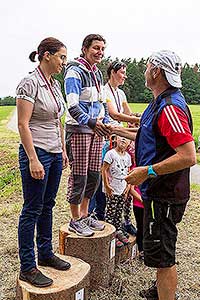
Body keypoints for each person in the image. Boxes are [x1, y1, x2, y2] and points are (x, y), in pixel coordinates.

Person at [125, 50, 196, 300]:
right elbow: (150, 137)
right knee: (157, 249)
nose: (144, 70)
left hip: (165, 194)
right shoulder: (158, 102)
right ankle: (160, 292)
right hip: (158, 191)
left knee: (163, 256)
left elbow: (188, 155)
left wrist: (147, 171)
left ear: (156, 71)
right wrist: (117, 131)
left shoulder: (169, 107)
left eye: (147, 66)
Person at [16, 37, 71, 288]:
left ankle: (46, 253)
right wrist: (33, 159)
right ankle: (28, 267)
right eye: (61, 56)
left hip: (55, 152)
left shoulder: (55, 84)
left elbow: (57, 121)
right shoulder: (30, 82)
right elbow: (23, 124)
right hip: (37, 152)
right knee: (32, 209)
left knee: (48, 205)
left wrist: (63, 150)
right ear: (46, 55)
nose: (63, 62)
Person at [64, 34, 111, 237]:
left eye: (102, 49)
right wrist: (91, 122)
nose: (100, 52)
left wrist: (106, 122)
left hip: (96, 129)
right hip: (80, 129)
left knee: (93, 175)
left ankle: (85, 215)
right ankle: (75, 219)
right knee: (79, 175)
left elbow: (101, 102)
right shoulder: (74, 71)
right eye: (96, 48)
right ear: (85, 48)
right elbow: (72, 106)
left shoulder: (97, 73)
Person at [90, 61, 140, 224]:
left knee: (119, 174)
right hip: (107, 139)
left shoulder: (121, 93)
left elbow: (127, 113)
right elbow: (115, 114)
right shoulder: (105, 91)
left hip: (118, 137)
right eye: (122, 72)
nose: (125, 76)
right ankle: (99, 212)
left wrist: (135, 119)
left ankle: (118, 219)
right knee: (104, 174)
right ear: (113, 72)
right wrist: (137, 119)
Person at [102, 136, 132, 247]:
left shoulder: (128, 157)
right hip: (112, 189)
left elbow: (128, 172)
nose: (123, 140)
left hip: (122, 189)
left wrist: (128, 187)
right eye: (121, 138)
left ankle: (118, 231)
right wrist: (107, 186)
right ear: (115, 139)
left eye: (126, 139)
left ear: (130, 142)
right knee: (111, 212)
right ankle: (110, 234)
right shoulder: (110, 154)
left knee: (119, 211)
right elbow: (104, 170)